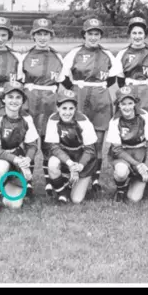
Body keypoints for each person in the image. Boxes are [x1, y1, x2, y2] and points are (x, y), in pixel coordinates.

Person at [57, 17, 123, 195]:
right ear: (84, 34)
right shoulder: (74, 53)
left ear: (100, 35)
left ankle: (95, 179)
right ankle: (72, 173)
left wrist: (96, 89)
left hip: (100, 97)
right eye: (90, 33)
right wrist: (78, 89)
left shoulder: (108, 54)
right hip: (79, 95)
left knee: (98, 140)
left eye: (96, 33)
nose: (93, 37)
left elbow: (112, 79)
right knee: (76, 136)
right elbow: (64, 77)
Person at [18, 18, 64, 198]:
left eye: (46, 34)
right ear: (33, 36)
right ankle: (27, 182)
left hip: (49, 102)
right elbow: (19, 82)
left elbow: (62, 82)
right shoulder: (24, 56)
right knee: (28, 141)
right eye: (39, 34)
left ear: (51, 36)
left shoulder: (58, 56)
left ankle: (49, 183)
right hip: (30, 100)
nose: (42, 37)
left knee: (48, 142)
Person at [0, 81, 39, 210]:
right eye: (10, 97)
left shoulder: (27, 118)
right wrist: (16, 160)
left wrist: (27, 159)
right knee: (2, 165)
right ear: (3, 99)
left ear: (23, 100)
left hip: (14, 155)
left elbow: (32, 144)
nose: (14, 101)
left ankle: (2, 186)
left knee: (15, 205)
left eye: (18, 97)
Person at [44, 89, 99, 204]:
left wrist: (80, 166)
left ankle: (71, 181)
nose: (67, 112)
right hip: (66, 157)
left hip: (81, 159)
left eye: (71, 108)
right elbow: (54, 147)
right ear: (58, 108)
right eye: (64, 108)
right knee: (52, 163)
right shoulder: (53, 119)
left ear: (75, 108)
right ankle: (62, 193)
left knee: (76, 199)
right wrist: (70, 164)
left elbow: (90, 149)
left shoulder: (83, 121)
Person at [105, 86, 148, 203]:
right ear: (118, 105)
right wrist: (137, 165)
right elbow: (117, 150)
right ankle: (120, 189)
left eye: (130, 103)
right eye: (123, 104)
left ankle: (143, 181)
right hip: (123, 154)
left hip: (141, 153)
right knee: (121, 172)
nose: (127, 107)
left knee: (134, 198)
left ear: (135, 103)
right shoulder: (115, 121)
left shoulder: (144, 116)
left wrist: (146, 165)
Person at [115, 16, 148, 126]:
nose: (137, 36)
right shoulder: (123, 53)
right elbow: (120, 80)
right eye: (134, 33)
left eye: (140, 33)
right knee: (130, 123)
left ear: (145, 34)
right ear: (130, 34)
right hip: (129, 91)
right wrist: (127, 93)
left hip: (147, 89)